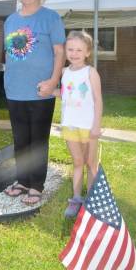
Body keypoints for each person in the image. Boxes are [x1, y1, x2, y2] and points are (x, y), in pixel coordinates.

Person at [4, 0, 65, 205]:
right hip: (14, 90)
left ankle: (36, 185)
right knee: (20, 140)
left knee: (38, 140)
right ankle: (22, 180)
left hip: (42, 91)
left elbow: (59, 53)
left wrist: (52, 82)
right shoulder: (11, 20)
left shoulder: (51, 18)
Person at [54, 30, 102, 218]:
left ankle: (92, 200)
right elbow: (66, 94)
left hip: (88, 126)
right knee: (77, 162)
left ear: (87, 52)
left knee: (91, 164)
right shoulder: (65, 73)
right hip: (70, 126)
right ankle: (76, 199)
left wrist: (97, 125)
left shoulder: (91, 73)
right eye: (70, 49)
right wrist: (50, 91)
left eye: (79, 50)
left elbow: (98, 100)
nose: (74, 53)